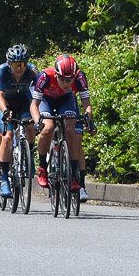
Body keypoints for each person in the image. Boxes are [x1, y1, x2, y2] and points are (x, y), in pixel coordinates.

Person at [31, 54, 94, 201]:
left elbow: (86, 104)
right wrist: (37, 122)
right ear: (56, 74)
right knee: (48, 128)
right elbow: (34, 105)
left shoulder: (79, 77)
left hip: (66, 100)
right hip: (46, 101)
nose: (66, 83)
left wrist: (87, 119)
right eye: (63, 79)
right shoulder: (45, 76)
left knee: (70, 128)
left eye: (69, 80)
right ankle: (42, 167)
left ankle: (72, 174)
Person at [0, 45, 39, 198]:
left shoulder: (33, 71)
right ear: (9, 64)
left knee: (30, 126)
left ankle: (29, 154)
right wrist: (4, 111)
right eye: (16, 65)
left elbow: (37, 96)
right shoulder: (2, 71)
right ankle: (4, 177)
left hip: (24, 102)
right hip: (7, 104)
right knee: (7, 137)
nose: (20, 68)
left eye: (23, 64)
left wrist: (37, 117)